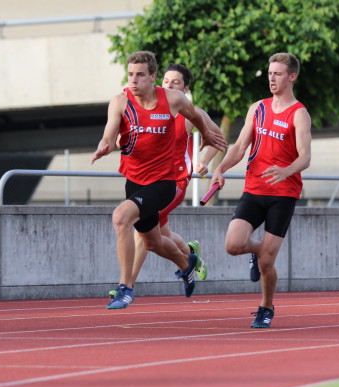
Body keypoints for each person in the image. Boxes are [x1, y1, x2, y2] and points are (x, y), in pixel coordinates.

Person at [92, 51, 227, 309]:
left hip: (169, 182)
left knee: (122, 217)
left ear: (151, 77)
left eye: (140, 75)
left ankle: (126, 287)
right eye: (130, 75)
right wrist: (105, 146)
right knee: (153, 241)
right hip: (136, 181)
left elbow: (204, 123)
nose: (134, 80)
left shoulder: (176, 102)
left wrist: (206, 148)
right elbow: (110, 136)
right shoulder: (121, 102)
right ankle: (187, 262)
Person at [210, 53, 312, 328]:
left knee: (267, 263)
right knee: (233, 245)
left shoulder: (299, 114)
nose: (272, 78)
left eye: (278, 73)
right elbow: (240, 147)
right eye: (269, 73)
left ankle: (266, 307)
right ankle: (259, 251)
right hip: (254, 190)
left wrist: (285, 171)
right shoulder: (258, 108)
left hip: (283, 195)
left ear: (292, 77)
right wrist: (221, 168)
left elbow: (305, 157)